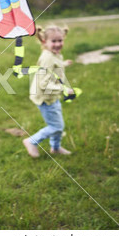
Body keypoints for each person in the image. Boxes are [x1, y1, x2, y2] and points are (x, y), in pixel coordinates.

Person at [23, 25, 73, 157]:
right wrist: (64, 89)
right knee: (56, 127)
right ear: (45, 41)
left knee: (58, 125)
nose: (58, 44)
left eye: (60, 40)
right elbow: (44, 84)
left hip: (51, 96)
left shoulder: (53, 54)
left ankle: (55, 148)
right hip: (45, 98)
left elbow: (53, 68)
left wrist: (63, 64)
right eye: (54, 41)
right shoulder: (48, 58)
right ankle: (31, 141)